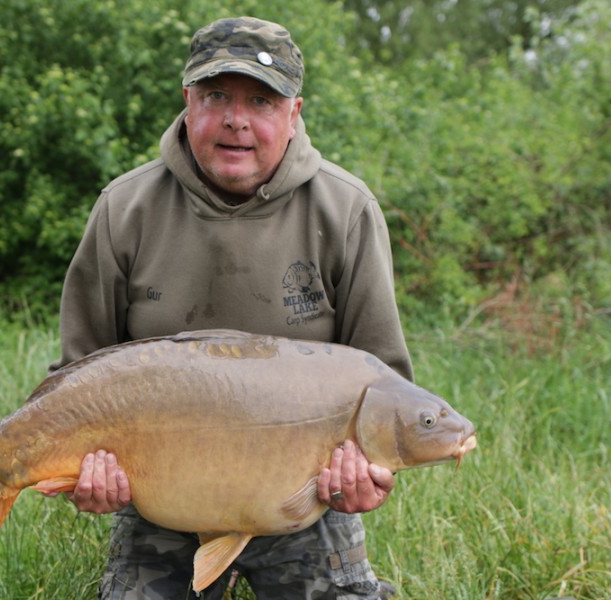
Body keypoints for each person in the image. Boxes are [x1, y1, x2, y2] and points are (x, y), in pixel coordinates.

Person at [48, 16, 413, 599]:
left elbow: (384, 382)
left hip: (305, 498)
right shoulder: (125, 208)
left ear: (294, 115)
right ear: (188, 102)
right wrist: (86, 472)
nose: (236, 120)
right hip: (164, 497)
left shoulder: (345, 210)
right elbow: (79, 373)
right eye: (217, 96)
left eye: (262, 101)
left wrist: (374, 473)